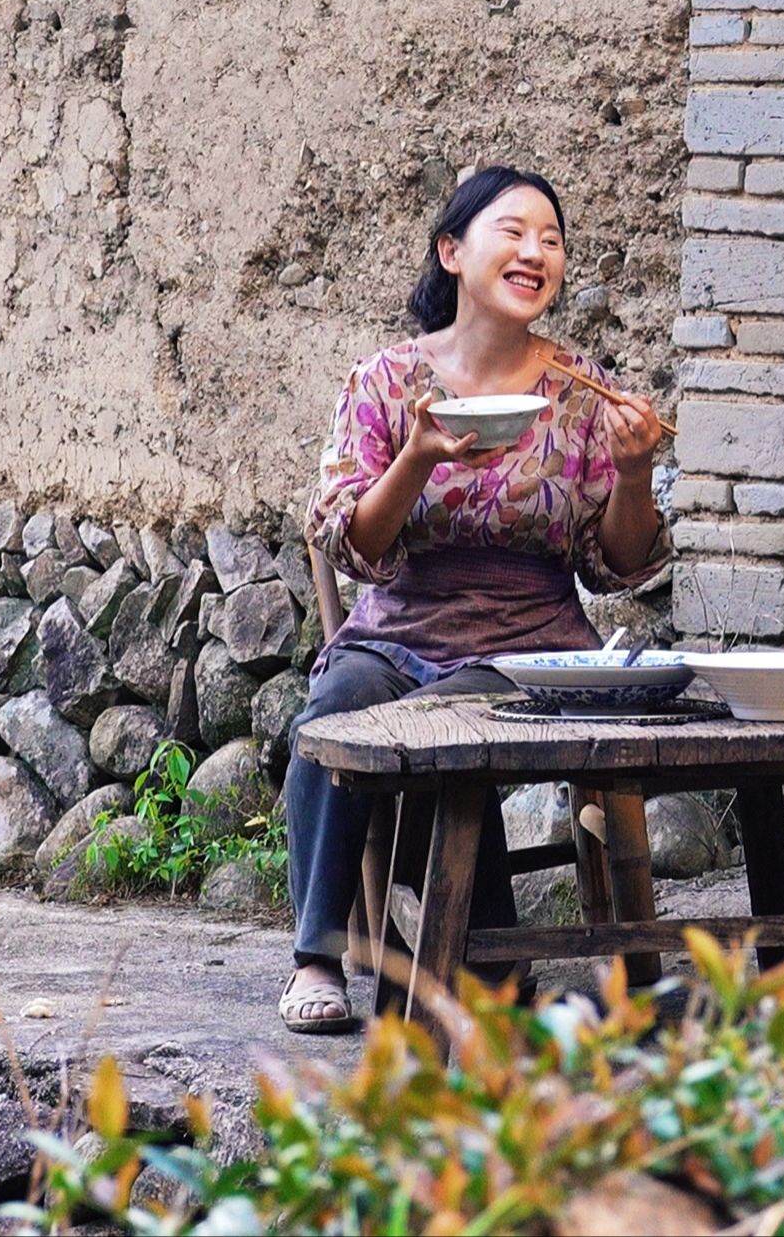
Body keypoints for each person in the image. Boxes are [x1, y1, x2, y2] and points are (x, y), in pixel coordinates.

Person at [274, 165, 667, 1034]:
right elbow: (352, 542)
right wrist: (416, 458)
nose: (536, 251)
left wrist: (634, 473)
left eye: (552, 239)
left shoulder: (579, 389)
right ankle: (319, 953)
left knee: (449, 725)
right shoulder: (384, 383)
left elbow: (618, 562)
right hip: (403, 621)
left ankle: (477, 963)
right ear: (452, 251)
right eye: (513, 231)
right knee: (337, 706)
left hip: (534, 640)